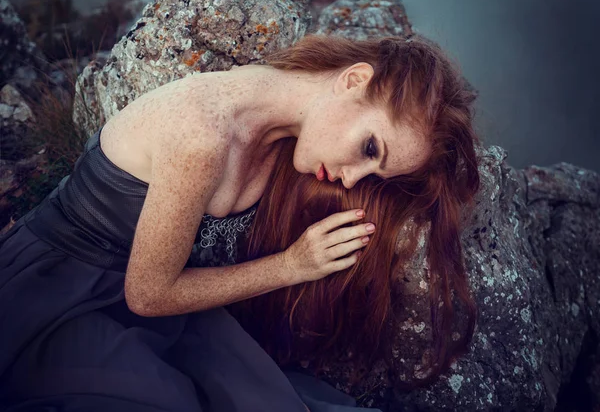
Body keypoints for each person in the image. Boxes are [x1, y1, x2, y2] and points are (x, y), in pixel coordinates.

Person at [0, 33, 480, 411]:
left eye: (375, 171)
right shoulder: (203, 134)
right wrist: (291, 266)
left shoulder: (278, 133)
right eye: (370, 149)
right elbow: (147, 295)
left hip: (170, 307)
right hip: (64, 293)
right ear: (353, 80)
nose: (354, 178)